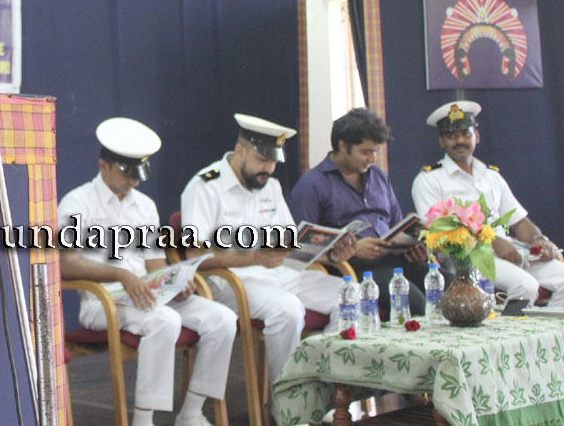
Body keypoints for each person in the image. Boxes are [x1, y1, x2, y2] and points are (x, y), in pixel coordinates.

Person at [59, 118, 236, 426]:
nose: (135, 182)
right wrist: (120, 275)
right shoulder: (77, 203)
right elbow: (66, 264)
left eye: (139, 174)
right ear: (103, 166)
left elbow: (154, 264)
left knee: (223, 319)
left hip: (146, 294)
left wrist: (176, 280)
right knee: (164, 320)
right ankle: (143, 420)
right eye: (128, 174)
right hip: (103, 301)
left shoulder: (145, 206)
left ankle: (192, 412)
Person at [180, 114, 356, 388]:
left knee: (350, 295)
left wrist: (330, 255)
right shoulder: (205, 186)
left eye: (274, 161)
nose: (270, 168)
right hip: (229, 280)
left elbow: (290, 243)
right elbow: (195, 256)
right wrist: (254, 257)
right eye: (263, 159)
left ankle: (326, 386)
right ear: (240, 151)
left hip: (279, 273)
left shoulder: (270, 186)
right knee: (287, 309)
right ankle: (287, 398)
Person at [411, 101, 564, 307]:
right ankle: (513, 326)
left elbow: (519, 221)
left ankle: (547, 327)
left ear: (477, 136)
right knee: (526, 287)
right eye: (451, 136)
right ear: (442, 141)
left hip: (511, 252)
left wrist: (538, 239)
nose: (460, 141)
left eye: (466, 134)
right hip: (467, 260)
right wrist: (492, 242)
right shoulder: (429, 180)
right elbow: (438, 232)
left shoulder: (491, 176)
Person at [289, 108, 432, 316]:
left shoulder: (378, 177)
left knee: (445, 284)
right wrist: (353, 250)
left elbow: (397, 225)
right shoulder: (312, 185)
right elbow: (300, 248)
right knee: (414, 302)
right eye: (365, 152)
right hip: (350, 269)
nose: (372, 159)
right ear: (343, 145)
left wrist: (412, 248)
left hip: (393, 261)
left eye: (375, 152)